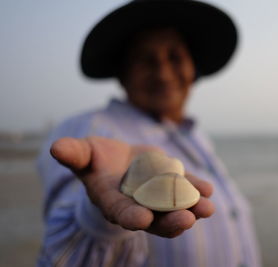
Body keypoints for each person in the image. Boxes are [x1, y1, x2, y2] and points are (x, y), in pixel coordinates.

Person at [37, 0, 261, 266]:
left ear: (193, 69)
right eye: (145, 59)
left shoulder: (196, 137)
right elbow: (62, 255)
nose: (163, 73)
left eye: (175, 56)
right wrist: (96, 215)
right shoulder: (94, 129)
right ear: (122, 73)